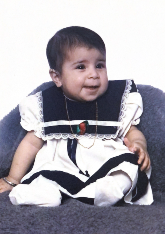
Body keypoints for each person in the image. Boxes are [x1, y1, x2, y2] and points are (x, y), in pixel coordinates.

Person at [0, 26, 153, 206]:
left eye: (99, 65)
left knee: (127, 168)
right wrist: (12, 179)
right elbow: (31, 143)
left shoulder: (119, 100)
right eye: (81, 67)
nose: (94, 74)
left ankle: (107, 192)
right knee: (45, 179)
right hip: (61, 166)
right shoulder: (45, 104)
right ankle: (42, 194)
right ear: (57, 77)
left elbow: (132, 131)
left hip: (105, 165)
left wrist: (139, 145)